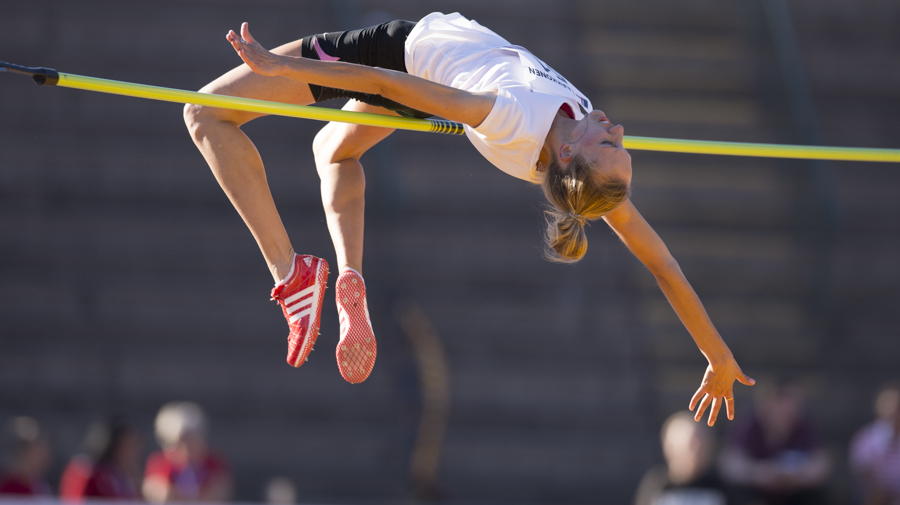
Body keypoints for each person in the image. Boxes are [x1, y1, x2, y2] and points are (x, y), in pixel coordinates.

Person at [184, 12, 754, 421]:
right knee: (332, 152)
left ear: (568, 153)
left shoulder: (512, 116)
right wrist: (717, 354)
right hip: (429, 84)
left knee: (205, 115)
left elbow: (382, 80)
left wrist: (278, 67)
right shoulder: (582, 169)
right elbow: (663, 265)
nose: (618, 130)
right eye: (621, 144)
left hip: (400, 57)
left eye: (609, 144)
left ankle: (290, 273)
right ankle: (349, 272)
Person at [719, 379, 829, 505]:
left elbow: (821, 467)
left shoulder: (804, 426)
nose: (786, 408)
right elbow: (730, 465)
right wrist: (760, 473)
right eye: (781, 400)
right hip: (756, 493)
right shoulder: (748, 425)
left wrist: (794, 477)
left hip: (794, 493)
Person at [634, 411, 730, 505]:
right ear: (670, 447)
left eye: (702, 443)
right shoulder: (657, 486)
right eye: (692, 444)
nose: (697, 450)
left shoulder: (722, 487)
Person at [142, 402, 232, 503]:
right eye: (183, 440)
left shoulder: (214, 462)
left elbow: (219, 493)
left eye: (193, 437)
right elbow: (160, 494)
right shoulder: (159, 462)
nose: (188, 445)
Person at [849, 381, 900, 505]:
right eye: (887, 405)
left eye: (896, 407)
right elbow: (860, 470)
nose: (892, 411)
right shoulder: (865, 438)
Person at [0, 416, 52, 496]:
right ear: (24, 451)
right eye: (39, 448)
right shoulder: (8, 488)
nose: (45, 454)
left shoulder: (39, 483)